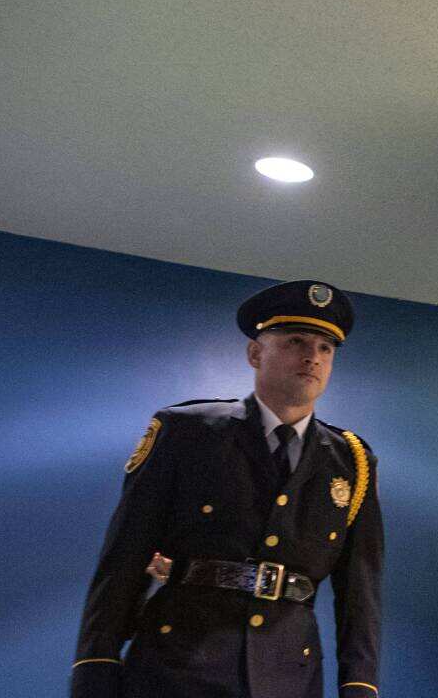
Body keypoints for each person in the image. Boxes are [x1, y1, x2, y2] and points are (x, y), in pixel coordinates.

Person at [71, 280, 384, 698]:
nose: (313, 357)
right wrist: (97, 666)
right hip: (177, 667)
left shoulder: (352, 461)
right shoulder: (187, 432)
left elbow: (360, 595)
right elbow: (125, 558)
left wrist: (359, 687)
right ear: (256, 353)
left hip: (288, 677)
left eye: (326, 348)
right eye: (296, 341)